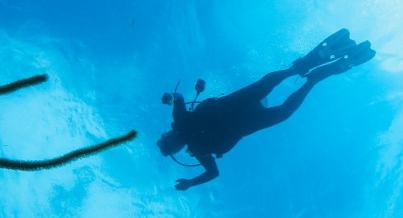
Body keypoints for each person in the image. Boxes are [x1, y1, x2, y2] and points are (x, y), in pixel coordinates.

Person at [157, 29, 375, 190]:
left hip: (235, 109)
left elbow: (180, 98)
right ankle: (311, 78)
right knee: (281, 107)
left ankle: (299, 69)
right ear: (176, 148)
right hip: (245, 120)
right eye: (171, 144)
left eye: (168, 140)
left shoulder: (182, 124)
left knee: (268, 89)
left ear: (171, 139)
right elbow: (213, 172)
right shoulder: (197, 148)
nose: (172, 139)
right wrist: (190, 183)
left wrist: (171, 97)